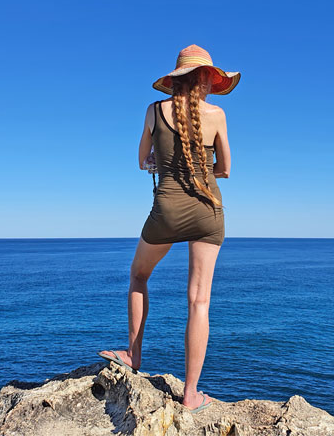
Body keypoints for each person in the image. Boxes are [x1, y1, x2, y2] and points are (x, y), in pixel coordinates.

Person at [98, 44, 240, 413]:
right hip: (209, 211)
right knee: (199, 301)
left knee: (139, 275)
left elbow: (143, 159)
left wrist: (156, 162)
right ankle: (191, 394)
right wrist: (205, 167)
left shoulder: (154, 111)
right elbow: (225, 168)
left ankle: (132, 353)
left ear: (175, 80)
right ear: (208, 79)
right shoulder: (218, 115)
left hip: (167, 209)